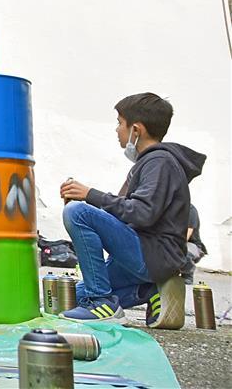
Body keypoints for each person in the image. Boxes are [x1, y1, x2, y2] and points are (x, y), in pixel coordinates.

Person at [59, 92, 205, 324]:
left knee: (76, 213)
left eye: (119, 123)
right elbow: (127, 214)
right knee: (73, 296)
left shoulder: (160, 163)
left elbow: (142, 213)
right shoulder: (149, 163)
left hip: (153, 254)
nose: (117, 129)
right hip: (141, 253)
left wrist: (89, 196)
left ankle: (102, 302)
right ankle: (148, 291)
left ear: (136, 130)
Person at [182, 204, 207, 285]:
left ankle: (187, 275)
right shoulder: (168, 208)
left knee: (185, 250)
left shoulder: (190, 210)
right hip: (172, 242)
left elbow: (186, 236)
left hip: (191, 244)